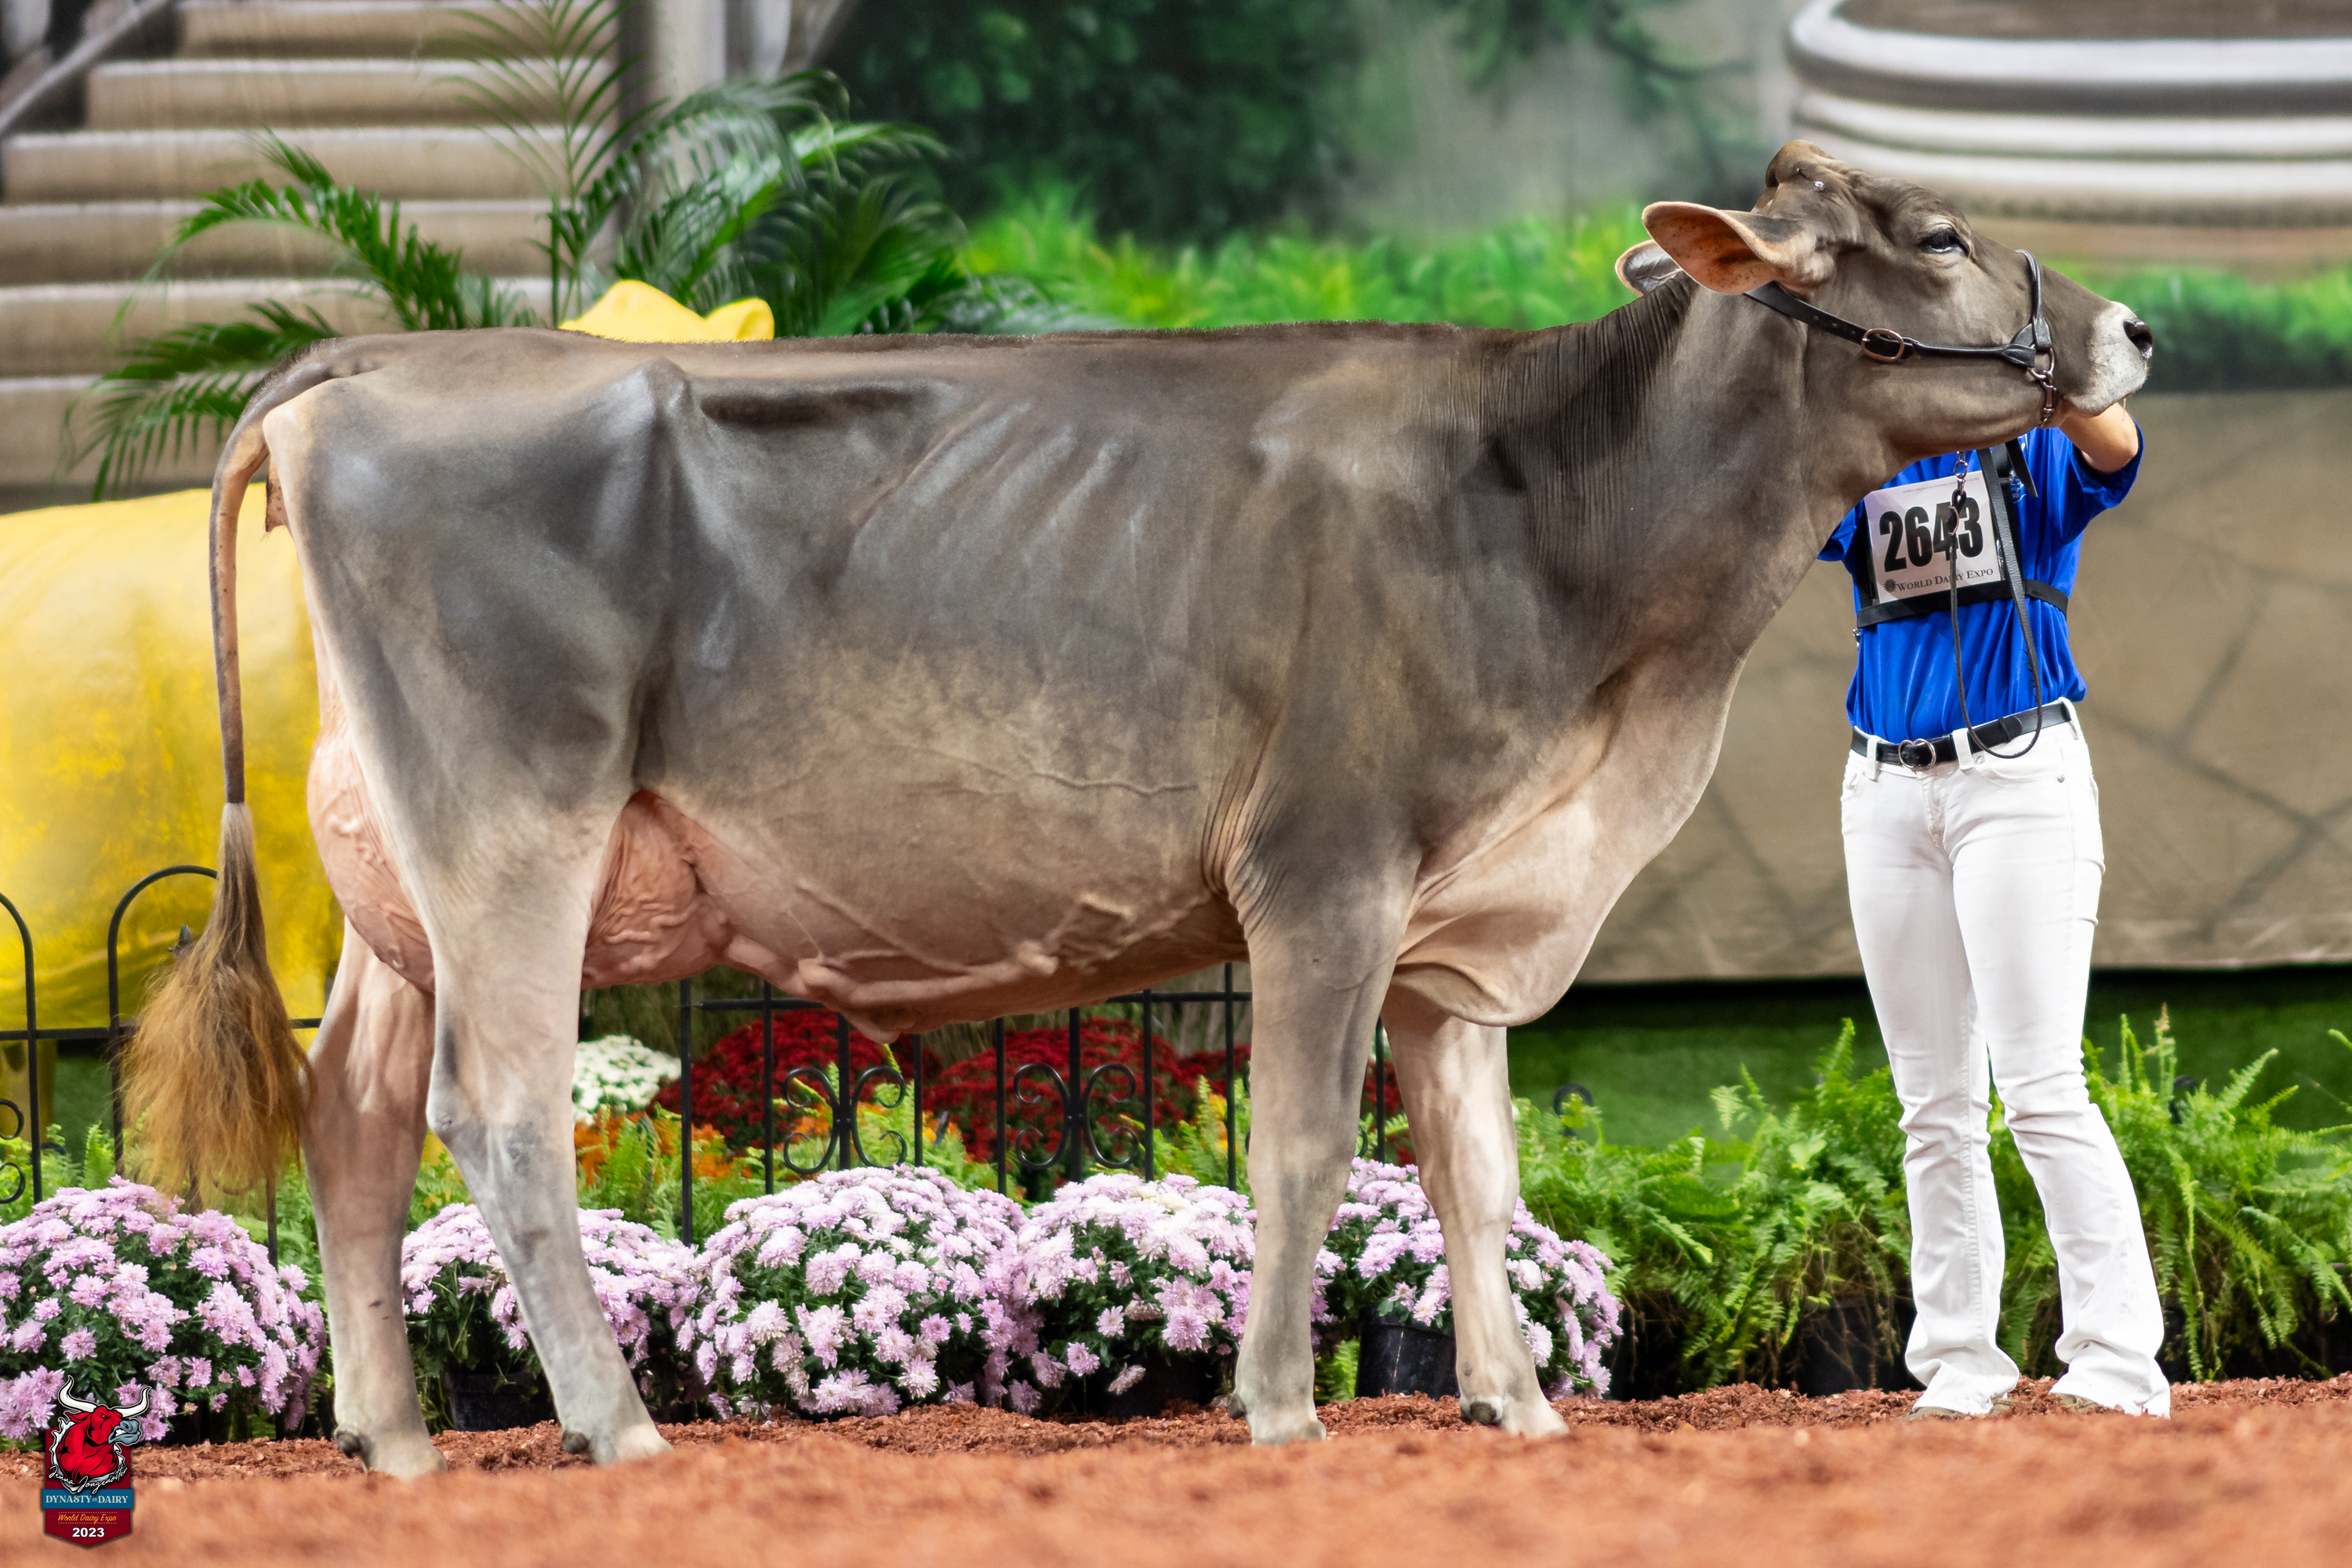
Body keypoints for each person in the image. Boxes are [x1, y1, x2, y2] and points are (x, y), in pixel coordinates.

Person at [1820, 401, 2168, 1417]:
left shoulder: (2039, 442)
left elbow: (2119, 446)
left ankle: (2117, 1363)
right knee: (1932, 1106)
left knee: (2042, 1087)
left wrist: (2042, 373)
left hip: (2017, 779)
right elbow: (1775, 504)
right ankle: (1960, 1364)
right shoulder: (1866, 450)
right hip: (1884, 790)